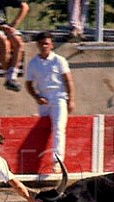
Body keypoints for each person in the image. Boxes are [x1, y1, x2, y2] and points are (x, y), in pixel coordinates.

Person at [25, 31, 75, 173]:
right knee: (44, 130)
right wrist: (36, 97)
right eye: (41, 44)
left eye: (46, 43)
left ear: (51, 45)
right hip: (43, 100)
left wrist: (71, 100)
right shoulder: (33, 63)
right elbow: (28, 84)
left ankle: (57, 162)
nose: (44, 46)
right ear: (37, 45)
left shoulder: (59, 60)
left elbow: (68, 81)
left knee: (59, 128)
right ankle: (39, 163)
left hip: (59, 98)